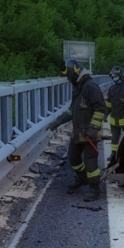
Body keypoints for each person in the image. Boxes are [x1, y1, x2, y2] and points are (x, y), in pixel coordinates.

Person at [48, 60, 106, 202]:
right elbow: (72, 110)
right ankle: (83, 179)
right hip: (78, 133)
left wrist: (93, 128)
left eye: (69, 76)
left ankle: (95, 188)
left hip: (89, 134)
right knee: (73, 158)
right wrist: (58, 122)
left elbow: (100, 109)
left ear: (76, 73)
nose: (68, 80)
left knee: (90, 163)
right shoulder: (77, 87)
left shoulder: (91, 87)